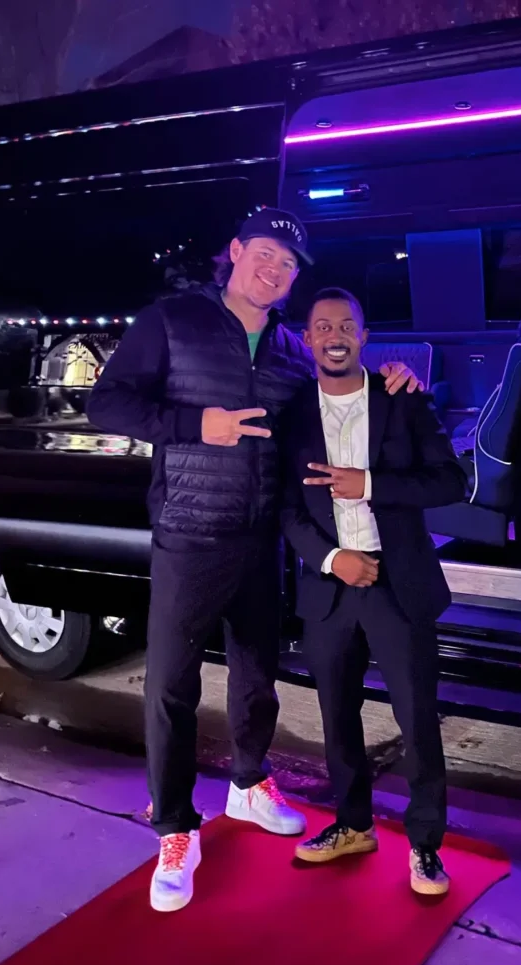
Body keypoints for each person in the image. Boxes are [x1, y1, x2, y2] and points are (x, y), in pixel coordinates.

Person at [86, 210, 421, 912]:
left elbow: (334, 398)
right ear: (235, 251)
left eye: (288, 263)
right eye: (264, 253)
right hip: (189, 532)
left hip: (261, 536)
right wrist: (190, 425)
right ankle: (175, 827)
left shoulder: (293, 352)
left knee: (256, 672)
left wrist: (391, 378)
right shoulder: (173, 320)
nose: (274, 270)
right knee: (172, 687)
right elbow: (106, 402)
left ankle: (248, 781)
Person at [279, 287, 467, 895]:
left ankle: (424, 846)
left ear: (363, 335)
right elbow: (285, 507)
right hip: (331, 587)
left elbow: (450, 481)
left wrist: (369, 484)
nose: (334, 335)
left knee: (416, 720)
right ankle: (353, 825)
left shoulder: (402, 398)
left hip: (398, 583)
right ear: (307, 339)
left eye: (347, 325)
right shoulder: (292, 415)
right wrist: (334, 559)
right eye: (322, 326)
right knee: (337, 719)